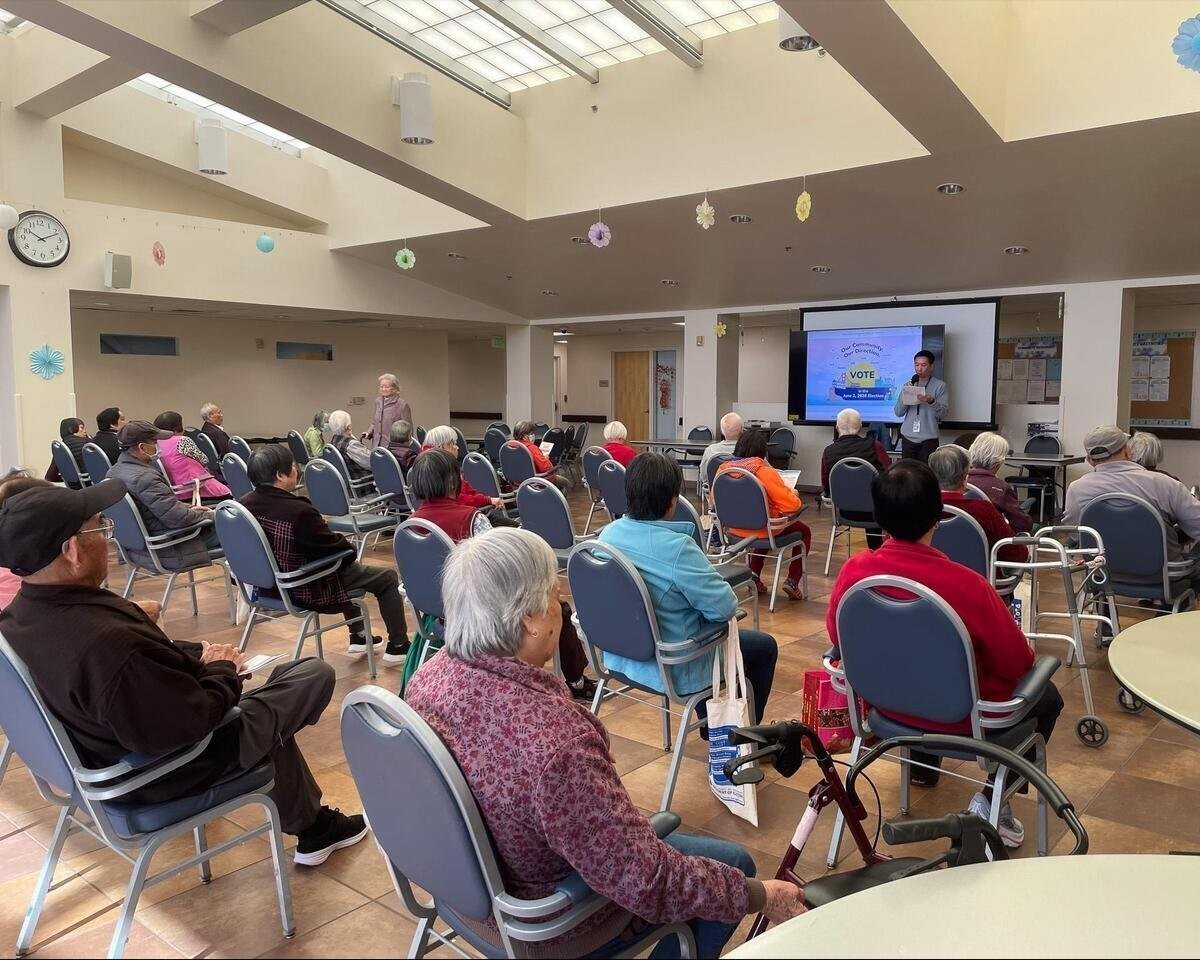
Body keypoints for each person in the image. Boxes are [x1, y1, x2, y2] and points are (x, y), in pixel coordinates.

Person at [405, 528, 802, 957]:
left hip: (462, 895)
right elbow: (647, 879)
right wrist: (762, 896)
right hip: (546, 924)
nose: (560, 609)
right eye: (554, 599)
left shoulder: (427, 679)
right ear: (529, 622)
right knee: (733, 867)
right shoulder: (556, 743)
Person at [0, 479, 369, 866]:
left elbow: (134, 677)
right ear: (73, 550)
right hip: (165, 769)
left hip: (100, 760)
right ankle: (314, 826)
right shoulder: (106, 643)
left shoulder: (19, 620)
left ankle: (315, 827)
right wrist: (222, 671)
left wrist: (192, 660)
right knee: (309, 676)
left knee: (268, 718)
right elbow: (189, 721)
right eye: (100, 528)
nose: (107, 539)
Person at [826, 460, 1062, 846]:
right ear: (938, 516)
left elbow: (838, 634)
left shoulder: (855, 571)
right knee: (1047, 697)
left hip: (883, 712)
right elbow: (1018, 662)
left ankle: (923, 765)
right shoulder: (968, 585)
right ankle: (992, 799)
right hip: (962, 723)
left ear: (879, 518)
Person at [598, 453, 778, 730]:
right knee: (763, 647)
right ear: (672, 501)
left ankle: (714, 723)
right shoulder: (678, 548)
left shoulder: (607, 535)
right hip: (673, 666)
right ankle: (734, 735)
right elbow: (725, 607)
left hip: (621, 656)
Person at [408, 451, 593, 698]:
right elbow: (499, 568)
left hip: (439, 615)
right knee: (557, 608)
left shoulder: (409, 523)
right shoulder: (471, 519)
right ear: (454, 481)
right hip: (484, 616)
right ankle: (576, 680)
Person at [242, 445, 409, 663]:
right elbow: (335, 549)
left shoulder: (243, 505)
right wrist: (349, 547)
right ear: (280, 476)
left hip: (267, 587)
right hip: (303, 586)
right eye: (291, 467)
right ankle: (398, 646)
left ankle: (358, 636)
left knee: (345, 569)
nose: (296, 470)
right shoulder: (298, 511)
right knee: (384, 577)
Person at [1063, 425, 1200, 567]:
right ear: (1128, 452)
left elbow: (1076, 534)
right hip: (1164, 577)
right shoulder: (1165, 484)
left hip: (1103, 575)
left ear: (1090, 460)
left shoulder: (1077, 489)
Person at [106, 421, 223, 568]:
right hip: (171, 548)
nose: (158, 445)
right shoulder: (145, 478)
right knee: (238, 531)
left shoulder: (113, 473)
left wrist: (188, 508)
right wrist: (211, 516)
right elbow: (177, 519)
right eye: (155, 442)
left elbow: (164, 508)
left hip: (137, 549)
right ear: (142, 447)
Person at [714, 428, 810, 600]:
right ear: (762, 452)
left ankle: (755, 577)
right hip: (763, 530)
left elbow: (715, 501)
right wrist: (793, 494)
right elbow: (792, 506)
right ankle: (792, 581)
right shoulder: (764, 472)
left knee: (761, 522)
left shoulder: (723, 470)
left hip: (733, 532)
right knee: (803, 531)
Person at [928, 445, 1028, 564]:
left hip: (927, 579)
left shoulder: (918, 509)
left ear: (931, 477)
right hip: (978, 579)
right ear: (966, 479)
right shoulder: (983, 510)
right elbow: (1017, 554)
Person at [421, 425, 517, 527]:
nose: (457, 447)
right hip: (462, 520)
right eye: (453, 443)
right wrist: (487, 500)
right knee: (517, 531)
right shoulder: (446, 471)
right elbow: (460, 499)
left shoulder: (422, 467)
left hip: (446, 519)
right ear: (441, 447)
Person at [820, 408, 889, 550]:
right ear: (861, 426)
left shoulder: (828, 451)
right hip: (876, 513)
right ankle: (877, 552)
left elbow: (826, 486)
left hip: (844, 512)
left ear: (837, 427)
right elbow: (889, 477)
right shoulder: (875, 447)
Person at [153, 411, 232, 505]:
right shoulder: (182, 441)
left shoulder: (156, 444)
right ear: (178, 426)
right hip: (195, 488)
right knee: (231, 494)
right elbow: (204, 460)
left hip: (176, 491)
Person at [966, 432, 1035, 534]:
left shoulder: (959, 481)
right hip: (994, 544)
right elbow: (1023, 525)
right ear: (998, 462)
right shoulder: (1001, 488)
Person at [892, 349, 948, 462]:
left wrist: (931, 401)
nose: (919, 368)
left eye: (923, 365)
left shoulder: (940, 386)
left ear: (931, 366)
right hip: (908, 437)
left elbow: (943, 412)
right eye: (916, 365)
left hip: (929, 439)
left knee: (926, 474)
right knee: (908, 474)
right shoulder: (909, 384)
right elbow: (898, 412)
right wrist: (906, 393)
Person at [327, 410, 373, 485]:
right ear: (349, 427)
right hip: (363, 484)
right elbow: (373, 463)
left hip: (345, 486)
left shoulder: (331, 444)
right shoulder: (351, 445)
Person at [366, 374, 412, 449]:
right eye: (381, 387)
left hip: (393, 448)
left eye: (387, 387)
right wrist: (369, 433)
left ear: (394, 388)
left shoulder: (402, 405)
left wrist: (406, 447)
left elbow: (408, 429)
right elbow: (375, 422)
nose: (383, 389)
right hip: (377, 446)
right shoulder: (378, 401)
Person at [698, 412, 743, 484]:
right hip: (745, 492)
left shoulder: (710, 450)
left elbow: (704, 477)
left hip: (716, 492)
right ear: (742, 430)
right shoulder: (751, 450)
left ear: (722, 431)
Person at [46, 418, 90, 489]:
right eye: (82, 428)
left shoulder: (61, 449)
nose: (85, 431)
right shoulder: (88, 443)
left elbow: (50, 477)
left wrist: (69, 477)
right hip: (91, 487)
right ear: (71, 429)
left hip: (73, 489)